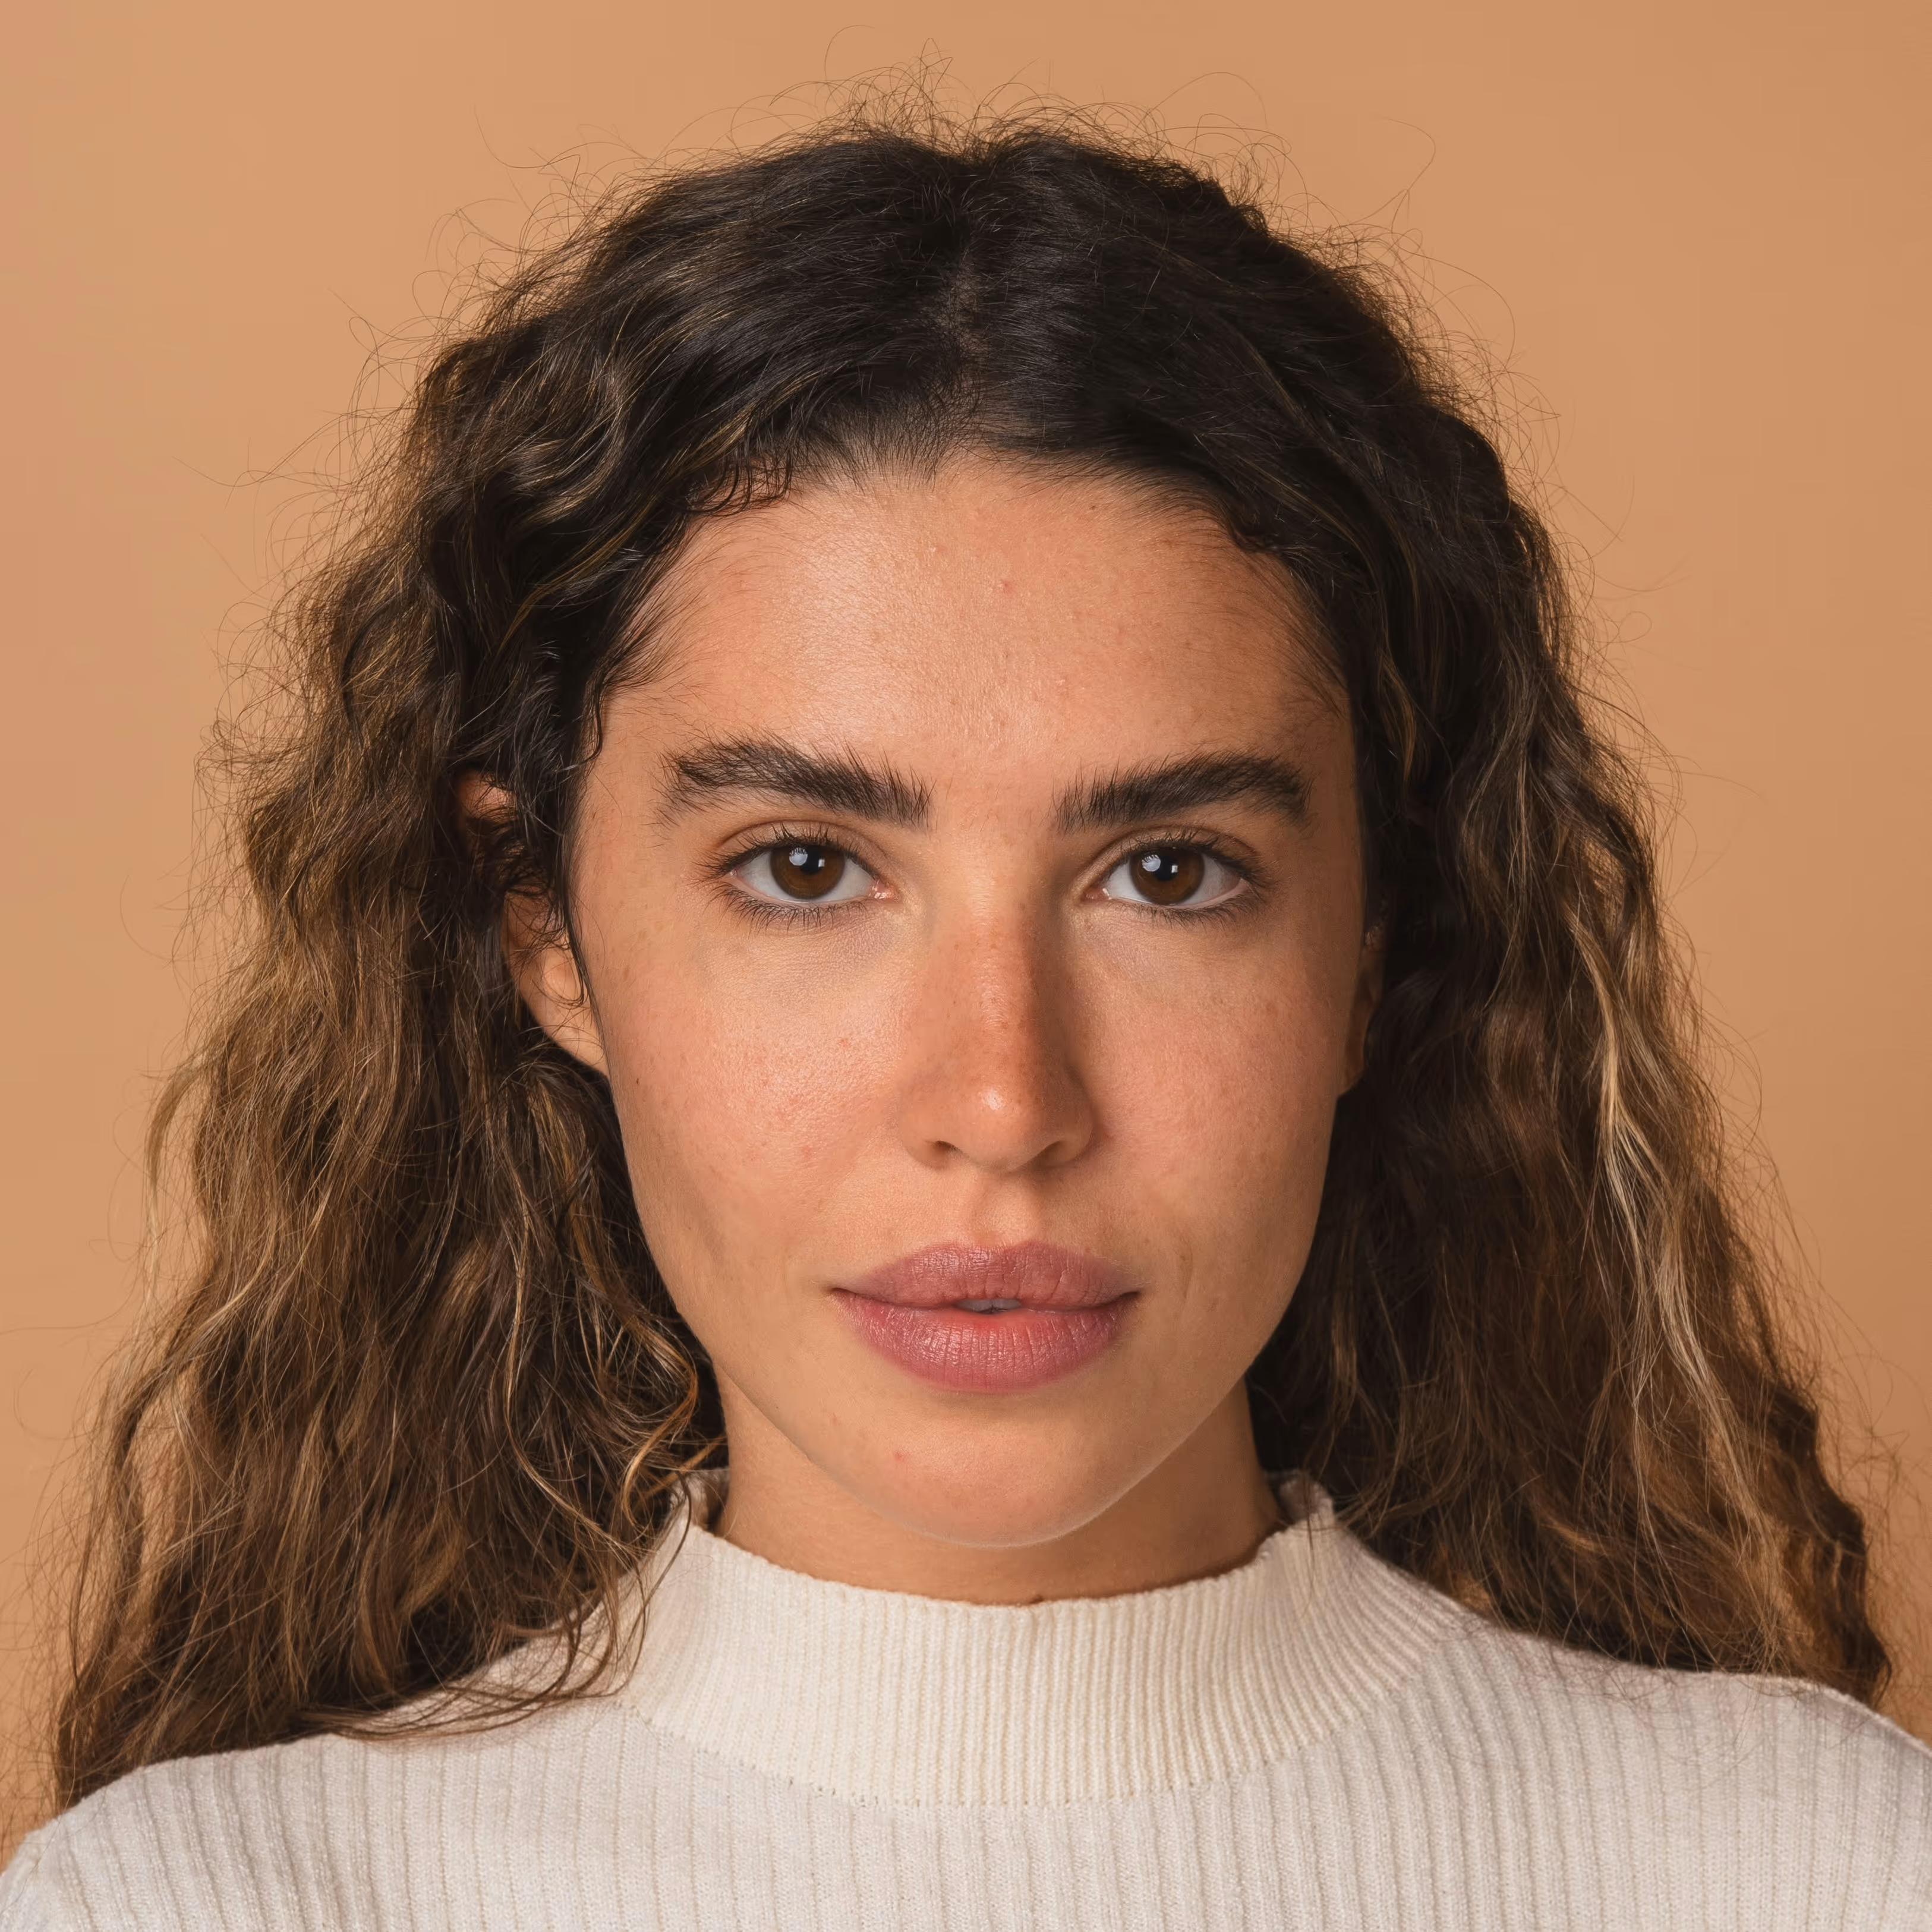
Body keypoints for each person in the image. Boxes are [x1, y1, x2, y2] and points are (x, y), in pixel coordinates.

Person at [2, 109, 1927, 1930]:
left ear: (1378, 944)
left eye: (1168, 872)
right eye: (809, 870)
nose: (1005, 1101)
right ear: (543, 930)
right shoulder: (195, 1908)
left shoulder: (1818, 1875)